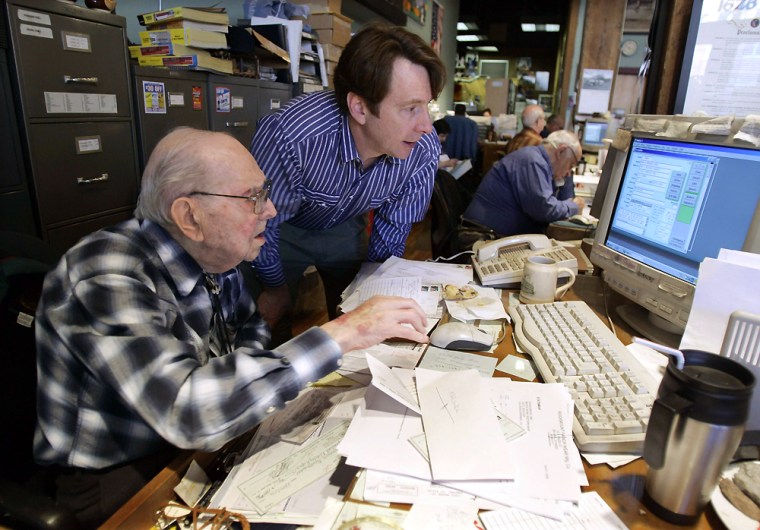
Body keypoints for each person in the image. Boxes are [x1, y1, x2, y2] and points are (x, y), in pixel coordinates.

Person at [33, 127, 430, 528]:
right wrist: (341, 333)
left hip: (200, 444)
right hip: (122, 477)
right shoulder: (106, 275)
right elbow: (186, 412)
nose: (271, 210)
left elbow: (253, 328)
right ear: (189, 216)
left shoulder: (213, 257)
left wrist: (236, 386)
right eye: (253, 197)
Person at [250, 22, 446, 343]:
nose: (426, 126)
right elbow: (260, 222)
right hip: (280, 226)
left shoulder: (421, 151)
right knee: (269, 321)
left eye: (426, 106)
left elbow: (391, 235)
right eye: (410, 109)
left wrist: (375, 292)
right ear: (360, 107)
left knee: (362, 313)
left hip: (344, 223)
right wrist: (274, 288)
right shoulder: (292, 136)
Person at [463, 130, 586, 236]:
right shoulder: (533, 161)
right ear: (560, 152)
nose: (569, 172)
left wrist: (563, 179)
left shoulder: (537, 159)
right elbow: (544, 210)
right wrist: (574, 206)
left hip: (494, 233)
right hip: (484, 236)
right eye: (571, 165)